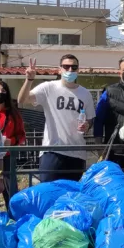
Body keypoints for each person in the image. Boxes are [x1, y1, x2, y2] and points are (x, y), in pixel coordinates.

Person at [18, 54, 95, 182]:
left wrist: (87, 125)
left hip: (77, 153)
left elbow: (90, 119)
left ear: (78, 70)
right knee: (49, 194)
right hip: (52, 151)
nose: (70, 70)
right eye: (66, 66)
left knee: (70, 197)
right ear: (60, 69)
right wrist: (29, 80)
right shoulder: (49, 87)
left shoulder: (85, 93)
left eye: (74, 67)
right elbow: (22, 99)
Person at [0, 79, 26, 191]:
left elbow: (21, 135)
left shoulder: (13, 114)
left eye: (3, 90)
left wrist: (11, 141)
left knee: (10, 191)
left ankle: (11, 208)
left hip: (7, 157)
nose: (0, 93)